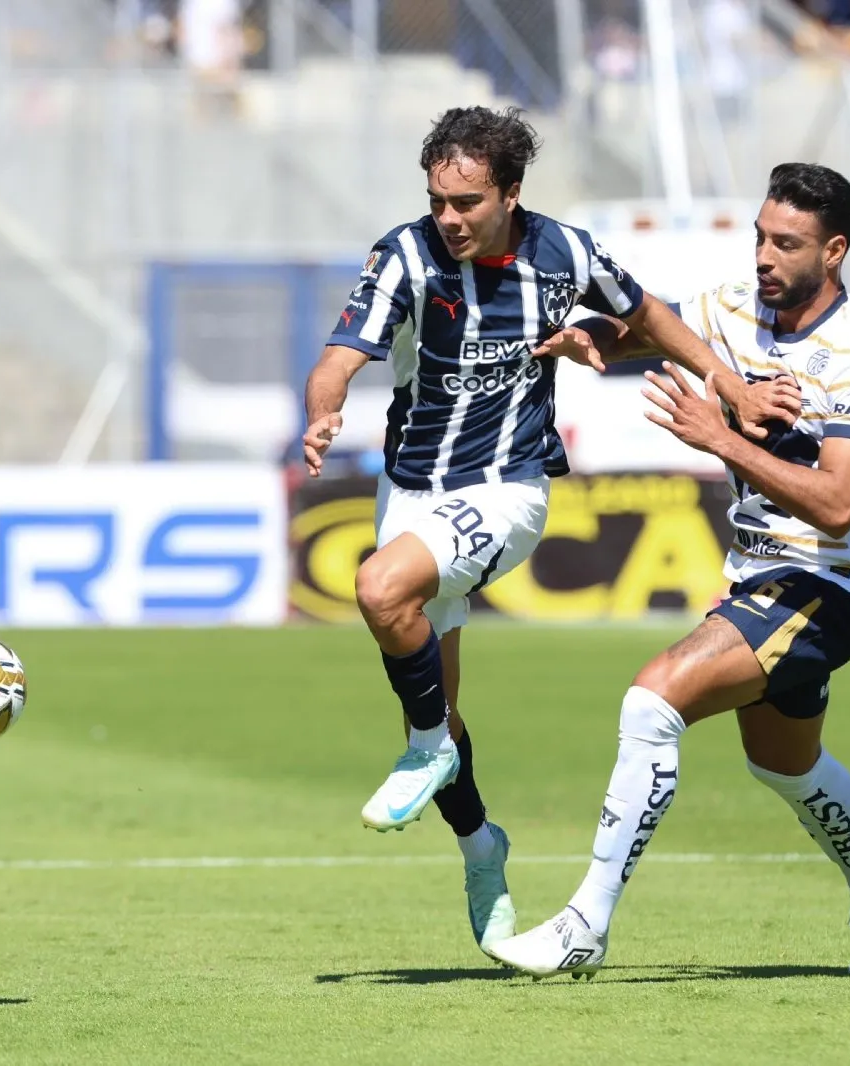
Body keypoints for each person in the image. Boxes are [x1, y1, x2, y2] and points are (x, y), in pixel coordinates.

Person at [300, 107, 800, 960]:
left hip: (508, 490)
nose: (448, 217)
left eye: (466, 201)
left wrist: (732, 388)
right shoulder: (404, 254)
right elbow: (341, 356)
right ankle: (479, 844)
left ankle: (425, 754)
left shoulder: (563, 251)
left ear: (510, 193)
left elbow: (653, 316)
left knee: (381, 589)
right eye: (437, 199)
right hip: (410, 492)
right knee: (440, 703)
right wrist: (324, 410)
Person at [487, 163, 850, 981]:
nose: (765, 255)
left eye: (787, 243)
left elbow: (839, 504)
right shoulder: (732, 307)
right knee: (782, 763)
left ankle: (587, 922)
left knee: (653, 699)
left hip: (826, 586)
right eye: (761, 235)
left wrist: (720, 439)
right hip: (757, 580)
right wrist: (587, 341)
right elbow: (649, 333)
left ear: (833, 251)